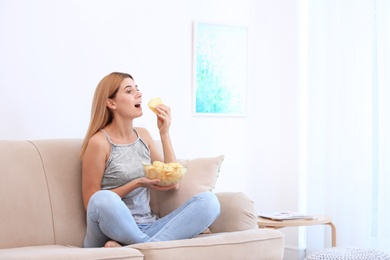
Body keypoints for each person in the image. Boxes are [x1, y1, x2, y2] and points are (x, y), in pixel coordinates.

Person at [80, 72, 220, 248]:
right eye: (129, 91)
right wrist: (137, 183)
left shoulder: (144, 136)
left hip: (149, 227)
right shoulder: (99, 142)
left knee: (209, 202)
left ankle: (140, 246)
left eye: (137, 89)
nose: (139, 94)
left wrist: (164, 133)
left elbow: (173, 181)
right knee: (103, 199)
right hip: (107, 231)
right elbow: (91, 203)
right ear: (111, 103)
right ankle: (151, 247)